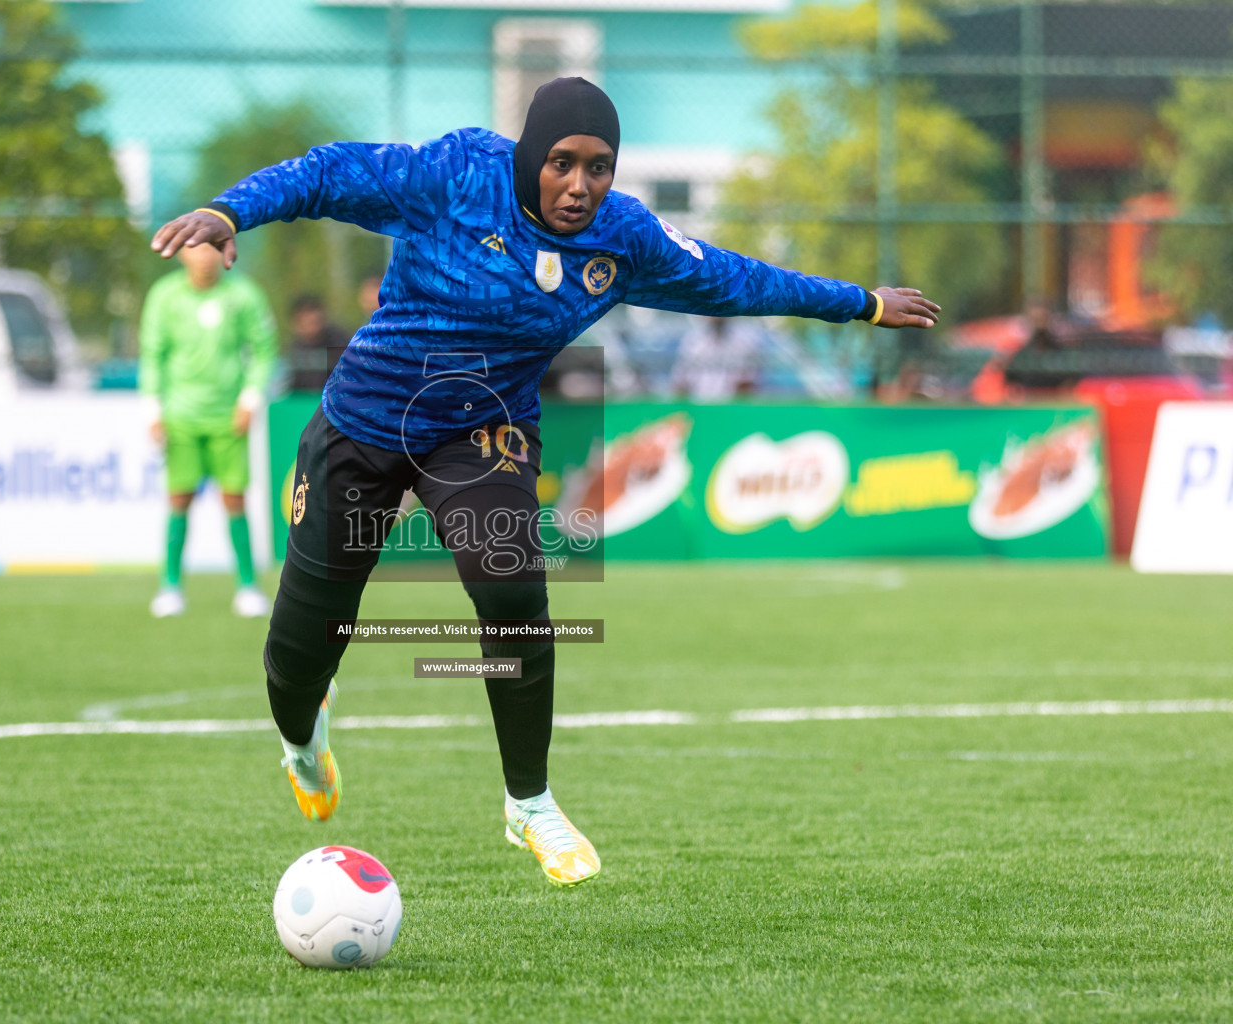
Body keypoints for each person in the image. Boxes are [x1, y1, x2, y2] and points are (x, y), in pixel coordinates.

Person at [152, 77, 938, 887]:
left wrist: (864, 305)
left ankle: (529, 803)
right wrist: (229, 211)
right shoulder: (455, 174)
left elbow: (735, 281)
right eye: (562, 162)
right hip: (362, 422)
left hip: (481, 431)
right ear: (531, 155)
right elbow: (327, 173)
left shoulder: (622, 238)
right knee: (300, 645)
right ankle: (302, 737)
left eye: (599, 167)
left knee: (514, 590)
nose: (579, 184)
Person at [139, 238, 278, 619]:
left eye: (212, 248)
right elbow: (152, 353)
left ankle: (248, 587)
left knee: (234, 499)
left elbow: (264, 349)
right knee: (179, 499)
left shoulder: (244, 294)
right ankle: (170, 587)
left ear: (226, 252)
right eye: (196, 248)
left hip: (228, 417)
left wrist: (250, 398)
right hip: (181, 417)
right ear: (182, 253)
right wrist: (153, 408)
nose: (205, 257)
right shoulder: (165, 296)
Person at [286, 293, 349, 392]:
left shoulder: (339, 342)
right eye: (307, 322)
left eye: (315, 321)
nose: (312, 323)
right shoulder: (295, 351)